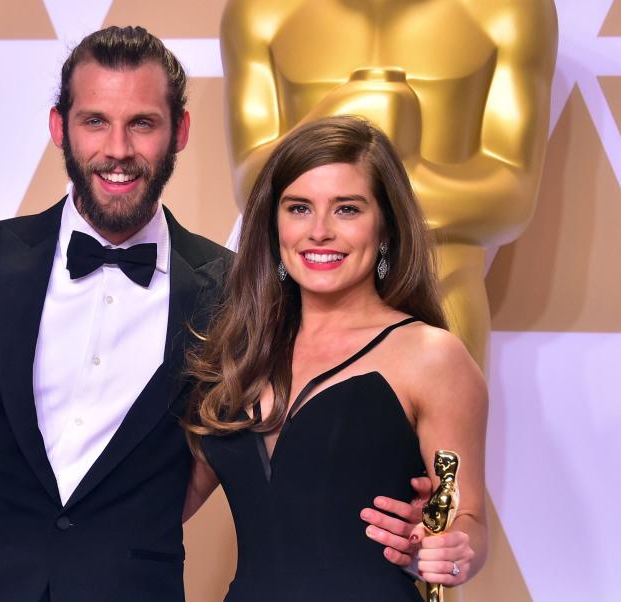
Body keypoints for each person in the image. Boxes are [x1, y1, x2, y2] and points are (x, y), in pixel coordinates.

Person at [0, 27, 427, 601]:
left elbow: (304, 427)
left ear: (178, 131)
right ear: (60, 128)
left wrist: (420, 513)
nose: (119, 150)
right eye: (95, 121)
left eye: (143, 123)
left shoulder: (238, 290)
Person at [182, 115, 489, 600]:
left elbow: (468, 517)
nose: (319, 231)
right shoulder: (236, 353)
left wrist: (451, 546)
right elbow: (164, 503)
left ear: (385, 227)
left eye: (347, 209)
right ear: (273, 223)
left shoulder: (431, 356)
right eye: (299, 208)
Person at [220, 0, 558, 368]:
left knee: (435, 397)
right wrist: (344, 110)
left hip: (439, 279)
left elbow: (512, 197)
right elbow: (251, 184)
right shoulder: (258, 11)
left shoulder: (510, 10)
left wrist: (386, 180)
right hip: (296, 290)